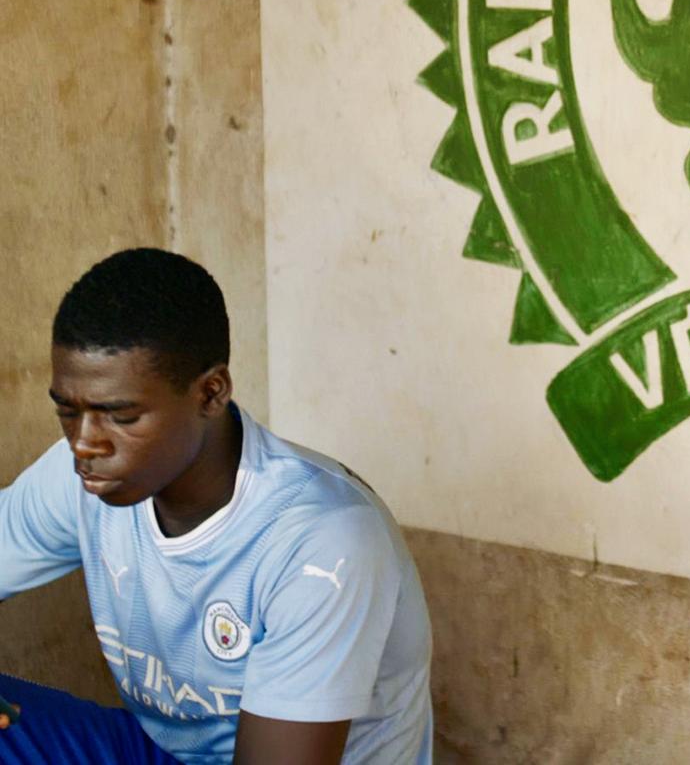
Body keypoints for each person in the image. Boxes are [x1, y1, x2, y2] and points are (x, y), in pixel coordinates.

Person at [0, 248, 433, 764]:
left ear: (211, 393)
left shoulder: (323, 540)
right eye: (68, 412)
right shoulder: (83, 473)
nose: (85, 442)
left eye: (121, 416)